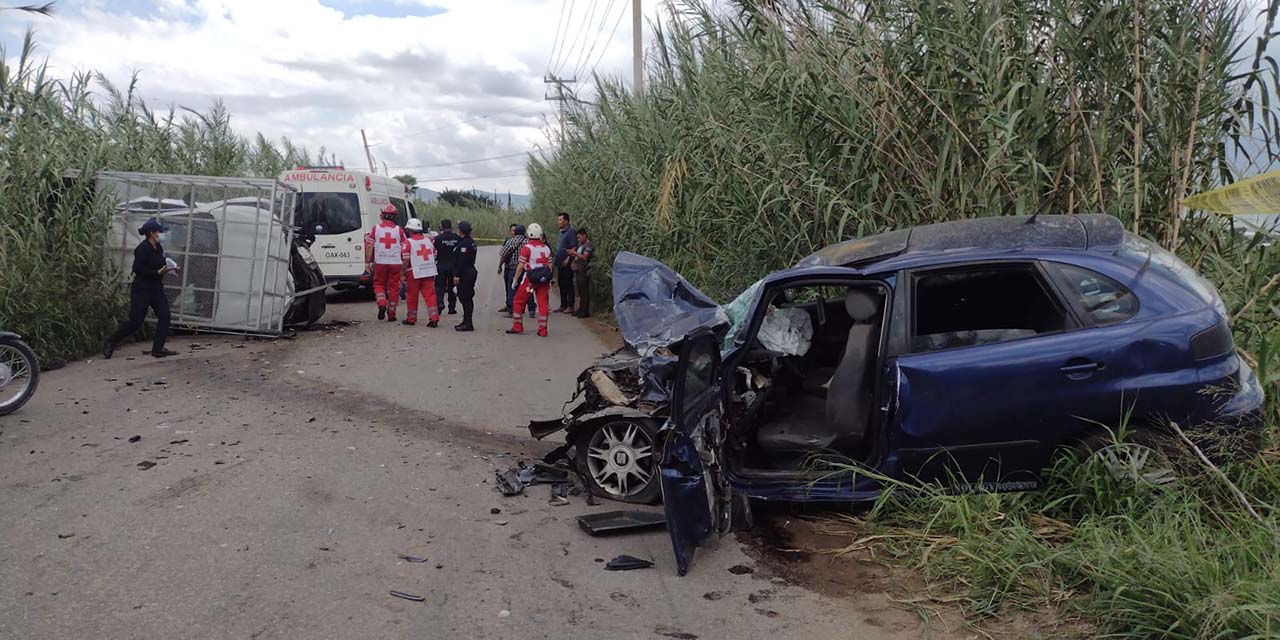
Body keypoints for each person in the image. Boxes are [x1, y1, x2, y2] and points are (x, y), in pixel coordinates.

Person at [102, 217, 178, 359]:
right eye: (159, 232)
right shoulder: (142, 249)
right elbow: (138, 268)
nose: (162, 235)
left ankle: (158, 349)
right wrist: (156, 272)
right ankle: (111, 342)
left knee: (165, 316)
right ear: (151, 233)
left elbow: (161, 263)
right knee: (136, 321)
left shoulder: (159, 248)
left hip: (156, 288)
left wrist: (170, 268)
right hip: (142, 289)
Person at [508, 222, 554, 337]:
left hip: (530, 282)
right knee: (542, 303)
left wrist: (515, 279)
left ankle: (517, 326)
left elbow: (520, 266)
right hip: (543, 281)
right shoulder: (546, 248)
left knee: (518, 301)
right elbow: (550, 265)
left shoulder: (527, 248)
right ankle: (543, 330)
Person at [365, 204, 408, 322]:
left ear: (382, 215)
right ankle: (392, 314)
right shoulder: (399, 230)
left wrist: (367, 262)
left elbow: (369, 245)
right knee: (394, 288)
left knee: (378, 284)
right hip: (395, 262)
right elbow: (405, 246)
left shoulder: (375, 229)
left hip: (380, 262)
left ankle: (382, 303)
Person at [401, 218, 440, 328]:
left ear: (410, 230)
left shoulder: (407, 242)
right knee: (430, 295)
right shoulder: (428, 241)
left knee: (412, 297)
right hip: (428, 270)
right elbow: (434, 255)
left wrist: (402, 272)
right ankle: (434, 318)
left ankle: (411, 318)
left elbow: (405, 260)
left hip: (413, 272)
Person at [453, 220, 479, 332]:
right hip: (469, 271)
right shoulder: (468, 241)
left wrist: (457, 275)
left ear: (461, 231)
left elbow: (462, 261)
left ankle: (468, 323)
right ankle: (466, 321)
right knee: (465, 298)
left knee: (466, 298)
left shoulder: (465, 244)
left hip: (465, 273)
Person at [434, 219, 460, 315]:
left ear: (441, 226)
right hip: (453, 266)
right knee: (452, 287)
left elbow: (436, 248)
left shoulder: (438, 238)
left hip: (441, 264)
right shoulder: (456, 238)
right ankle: (452, 308)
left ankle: (440, 303)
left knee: (439, 286)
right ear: (451, 226)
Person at [568, 226, 593, 318]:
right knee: (580, 291)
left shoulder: (588, 245)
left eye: (579, 237)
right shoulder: (581, 245)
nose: (578, 239)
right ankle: (581, 309)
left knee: (584, 291)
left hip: (584, 270)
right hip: (578, 270)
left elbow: (584, 257)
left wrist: (574, 253)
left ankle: (585, 311)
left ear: (585, 236)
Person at [554, 211, 577, 313]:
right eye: (558, 219)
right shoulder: (561, 232)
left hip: (567, 262)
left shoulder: (571, 231)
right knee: (561, 283)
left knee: (568, 283)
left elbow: (574, 246)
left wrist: (568, 258)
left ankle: (570, 305)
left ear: (566, 221)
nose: (558, 222)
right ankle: (563, 305)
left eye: (560, 220)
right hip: (560, 262)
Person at [497, 223, 519, 314]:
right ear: (510, 231)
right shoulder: (507, 241)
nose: (514, 232)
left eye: (515, 230)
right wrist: (500, 265)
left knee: (514, 289)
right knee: (508, 288)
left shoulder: (513, 242)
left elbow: (503, 253)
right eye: (513, 230)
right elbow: (502, 253)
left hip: (516, 268)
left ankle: (514, 308)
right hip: (508, 267)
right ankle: (509, 305)